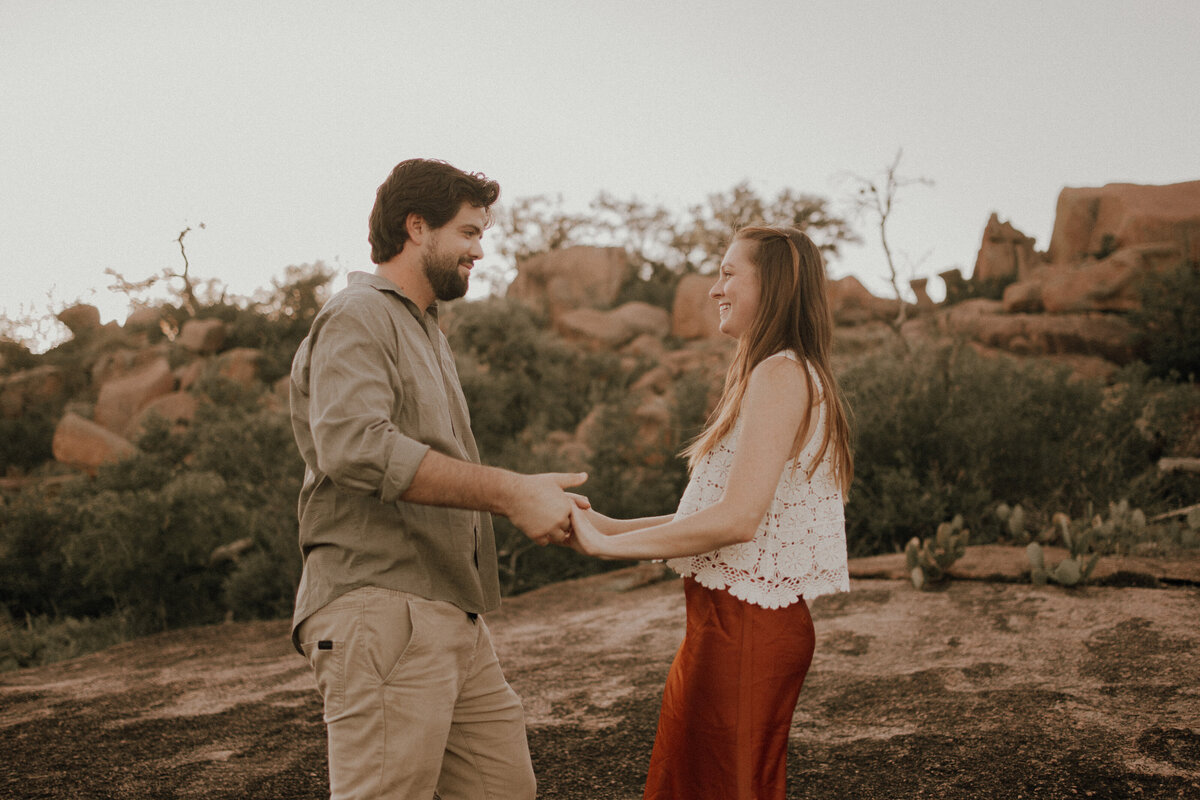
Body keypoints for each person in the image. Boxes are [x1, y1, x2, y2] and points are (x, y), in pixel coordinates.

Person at [289, 158, 586, 799]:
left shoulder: (428, 333)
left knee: (504, 789)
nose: (480, 250)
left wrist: (537, 499)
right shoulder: (358, 315)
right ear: (417, 227)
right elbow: (355, 446)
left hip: (452, 611)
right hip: (383, 608)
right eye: (469, 233)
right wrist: (509, 493)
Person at [566, 225, 854, 800]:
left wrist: (608, 548)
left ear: (769, 285)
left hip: (746, 632)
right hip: (725, 626)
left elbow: (738, 520)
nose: (712, 289)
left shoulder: (780, 373)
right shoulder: (780, 371)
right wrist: (600, 523)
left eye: (728, 273)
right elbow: (711, 513)